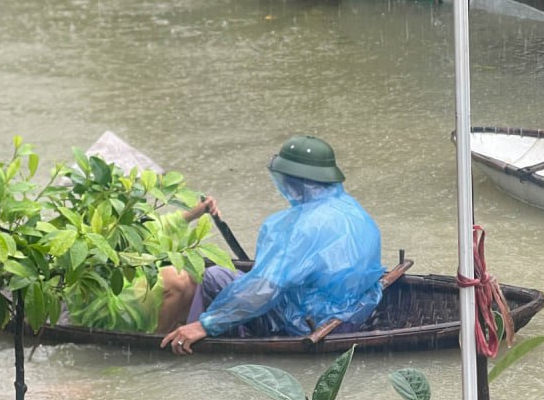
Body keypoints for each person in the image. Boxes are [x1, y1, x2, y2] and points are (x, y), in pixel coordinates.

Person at [160, 134, 384, 355]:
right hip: (353, 315)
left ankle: (189, 341)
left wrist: (206, 325)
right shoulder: (353, 209)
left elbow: (264, 290)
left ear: (291, 181)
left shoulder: (296, 226)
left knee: (213, 276)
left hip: (307, 324)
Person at [64, 197, 219, 334]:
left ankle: (173, 329)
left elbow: (157, 228)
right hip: (101, 307)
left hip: (124, 285)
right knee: (176, 279)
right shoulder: (92, 223)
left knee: (194, 280)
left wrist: (193, 213)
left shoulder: (127, 215)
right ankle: (157, 339)